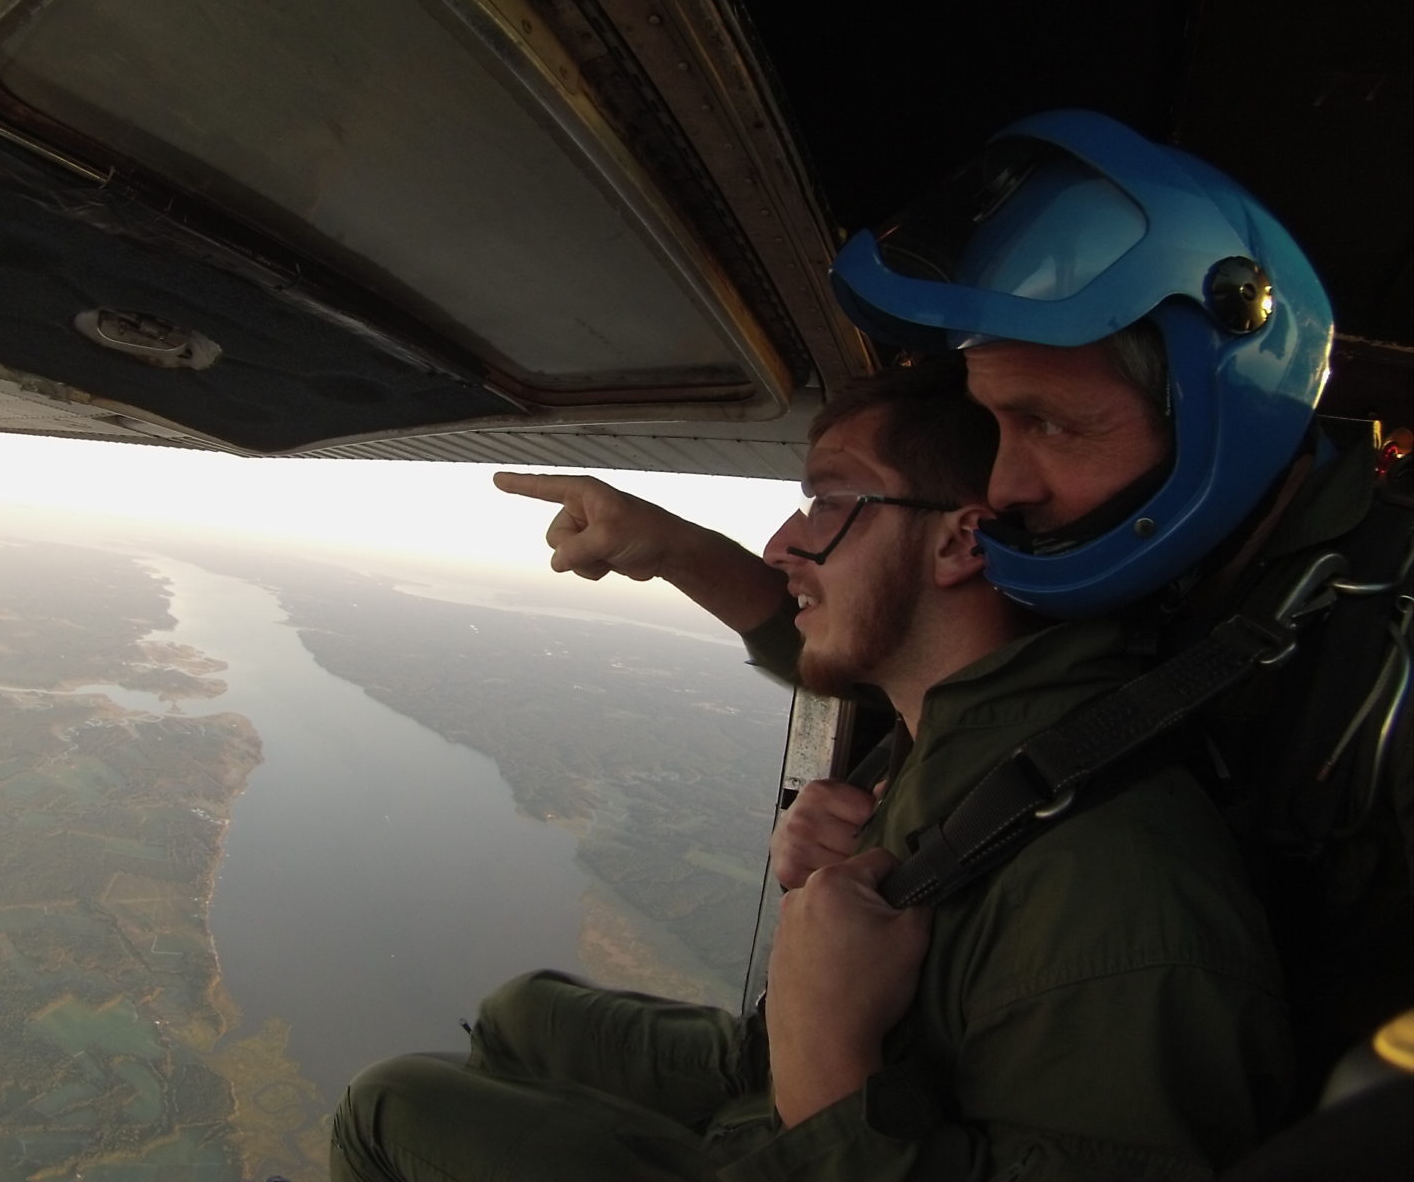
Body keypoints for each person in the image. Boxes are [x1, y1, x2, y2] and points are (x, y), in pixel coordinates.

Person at [329, 361, 1293, 1180]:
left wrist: (826, 1059)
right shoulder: (977, 710)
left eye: (831, 502)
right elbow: (822, 641)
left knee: (391, 1106)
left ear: (959, 539)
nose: (783, 545)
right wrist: (670, 546)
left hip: (814, 1119)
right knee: (516, 1018)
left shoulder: (1122, 906)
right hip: (789, 1086)